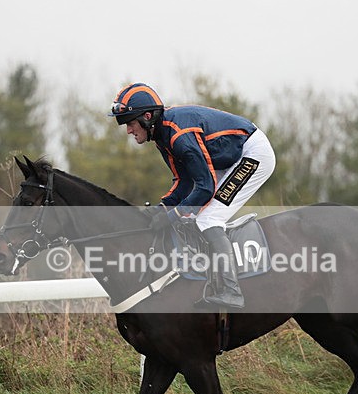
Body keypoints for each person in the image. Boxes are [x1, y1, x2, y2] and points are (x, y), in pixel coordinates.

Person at [109, 82, 275, 309]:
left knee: (208, 218)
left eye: (129, 123)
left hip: (252, 154)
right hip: (227, 158)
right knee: (190, 216)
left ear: (147, 117)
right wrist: (161, 208)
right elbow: (183, 182)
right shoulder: (162, 137)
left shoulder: (179, 137)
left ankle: (231, 290)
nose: (128, 130)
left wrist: (170, 216)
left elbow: (205, 187)